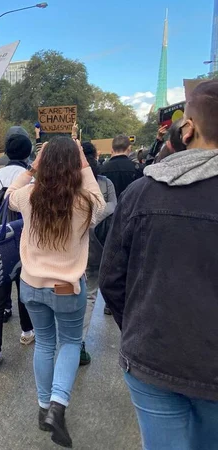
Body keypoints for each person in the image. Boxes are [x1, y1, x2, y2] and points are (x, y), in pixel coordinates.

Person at [99, 80, 218, 450]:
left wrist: (136, 325)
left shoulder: (142, 193)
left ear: (188, 128)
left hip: (150, 355)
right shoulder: (138, 188)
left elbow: (111, 279)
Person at [7, 136, 105, 448]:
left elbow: (8, 195)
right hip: (67, 286)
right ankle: (58, 405)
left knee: (45, 344)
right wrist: (85, 162)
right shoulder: (84, 201)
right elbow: (102, 207)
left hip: (31, 284)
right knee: (71, 342)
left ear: (43, 164)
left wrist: (33, 168)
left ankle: (42, 406)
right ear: (77, 165)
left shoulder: (27, 196)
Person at [0, 133, 35, 370]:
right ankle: (26, 331)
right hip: (23, 241)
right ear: (27, 153)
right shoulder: (31, 180)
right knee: (23, 289)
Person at [79, 142, 117, 365]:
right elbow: (114, 206)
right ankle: (79, 342)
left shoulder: (68, 184)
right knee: (90, 294)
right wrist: (96, 218)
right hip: (96, 247)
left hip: (71, 248)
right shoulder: (106, 184)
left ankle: (67, 339)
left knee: (67, 293)